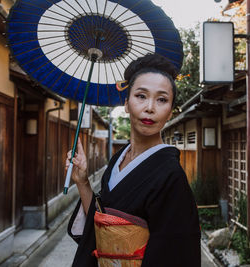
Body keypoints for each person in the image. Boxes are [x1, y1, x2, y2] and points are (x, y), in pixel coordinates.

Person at [66, 53, 201, 267]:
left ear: (170, 112)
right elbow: (100, 219)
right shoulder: (118, 159)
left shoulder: (171, 175)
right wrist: (82, 181)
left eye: (162, 99)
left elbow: (176, 253)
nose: (150, 107)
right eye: (141, 96)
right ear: (127, 103)